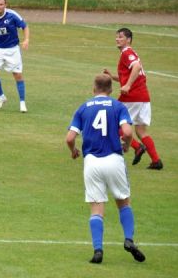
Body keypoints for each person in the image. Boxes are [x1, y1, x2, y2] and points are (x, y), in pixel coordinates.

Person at [65, 74, 146, 264]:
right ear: (110, 90)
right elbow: (127, 132)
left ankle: (98, 250)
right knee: (123, 202)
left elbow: (69, 138)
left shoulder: (83, 108)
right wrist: (126, 145)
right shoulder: (118, 106)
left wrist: (73, 150)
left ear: (93, 88)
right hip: (114, 159)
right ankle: (128, 239)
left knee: (96, 208)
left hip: (92, 162)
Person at [103, 27, 163, 170]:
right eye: (117, 36)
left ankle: (137, 147)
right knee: (141, 131)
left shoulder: (127, 53)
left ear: (128, 40)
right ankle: (156, 161)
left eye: (121, 37)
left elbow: (136, 67)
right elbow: (131, 74)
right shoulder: (130, 54)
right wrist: (113, 77)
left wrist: (128, 86)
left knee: (111, 121)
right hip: (143, 97)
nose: (118, 39)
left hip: (132, 96)